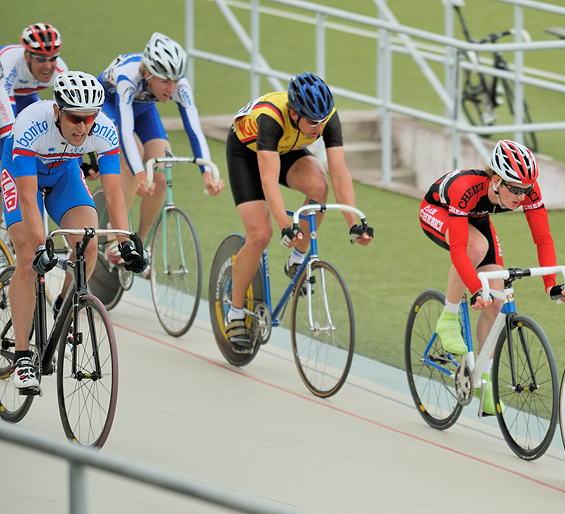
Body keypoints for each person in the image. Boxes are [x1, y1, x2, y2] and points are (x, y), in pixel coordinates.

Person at [1, 71, 146, 391]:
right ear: (57, 111)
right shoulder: (31, 123)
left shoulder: (104, 129)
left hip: (64, 173)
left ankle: (63, 306)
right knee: (28, 257)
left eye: (89, 118)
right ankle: (22, 356)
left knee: (88, 244)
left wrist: (127, 243)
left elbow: (114, 194)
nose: (82, 127)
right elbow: (28, 197)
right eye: (75, 119)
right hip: (20, 173)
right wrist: (41, 245)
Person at [419, 139, 565, 416]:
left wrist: (551, 284)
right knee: (475, 248)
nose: (521, 196)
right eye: (514, 189)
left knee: (495, 301)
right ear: (495, 180)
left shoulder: (526, 190)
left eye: (526, 189)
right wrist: (474, 290)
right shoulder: (465, 188)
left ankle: (484, 381)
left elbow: (543, 238)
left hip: (476, 217)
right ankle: (448, 318)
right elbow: (459, 250)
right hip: (438, 211)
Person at [223, 71, 374, 354]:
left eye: (322, 121)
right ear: (294, 114)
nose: (319, 127)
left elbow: (339, 172)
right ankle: (235, 312)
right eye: (312, 122)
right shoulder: (271, 118)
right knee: (260, 235)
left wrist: (353, 223)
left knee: (319, 186)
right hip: (246, 153)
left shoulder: (325, 117)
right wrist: (285, 225)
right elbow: (268, 180)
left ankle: (297, 260)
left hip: (286, 148)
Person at [97, 31, 223, 264]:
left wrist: (206, 172)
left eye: (176, 80)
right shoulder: (128, 78)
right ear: (148, 74)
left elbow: (194, 130)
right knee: (131, 159)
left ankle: (139, 245)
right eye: (165, 81)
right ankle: (118, 238)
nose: (171, 87)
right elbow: (125, 131)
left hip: (144, 109)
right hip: (109, 105)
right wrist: (139, 173)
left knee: (161, 173)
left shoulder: (179, 86)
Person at [0, 23, 68, 117]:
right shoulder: (6, 62)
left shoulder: (61, 71)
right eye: (41, 59)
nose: (48, 66)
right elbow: (6, 111)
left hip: (25, 96)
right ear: (26, 56)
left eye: (53, 58)